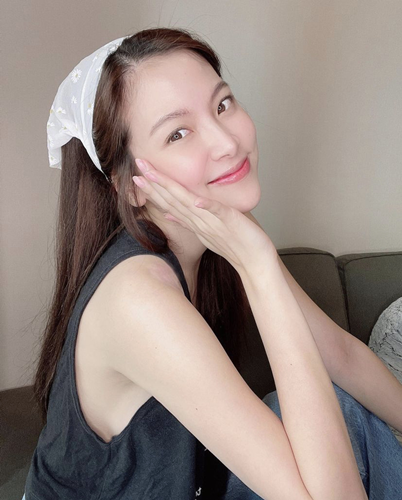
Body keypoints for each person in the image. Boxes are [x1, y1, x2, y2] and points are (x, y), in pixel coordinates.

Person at [23, 28, 402, 499]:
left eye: (222, 104)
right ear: (129, 185)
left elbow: (339, 354)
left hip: (196, 482)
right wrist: (260, 270)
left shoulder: (219, 224)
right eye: (178, 133)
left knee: (343, 413)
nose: (227, 142)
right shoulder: (136, 300)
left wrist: (257, 264)